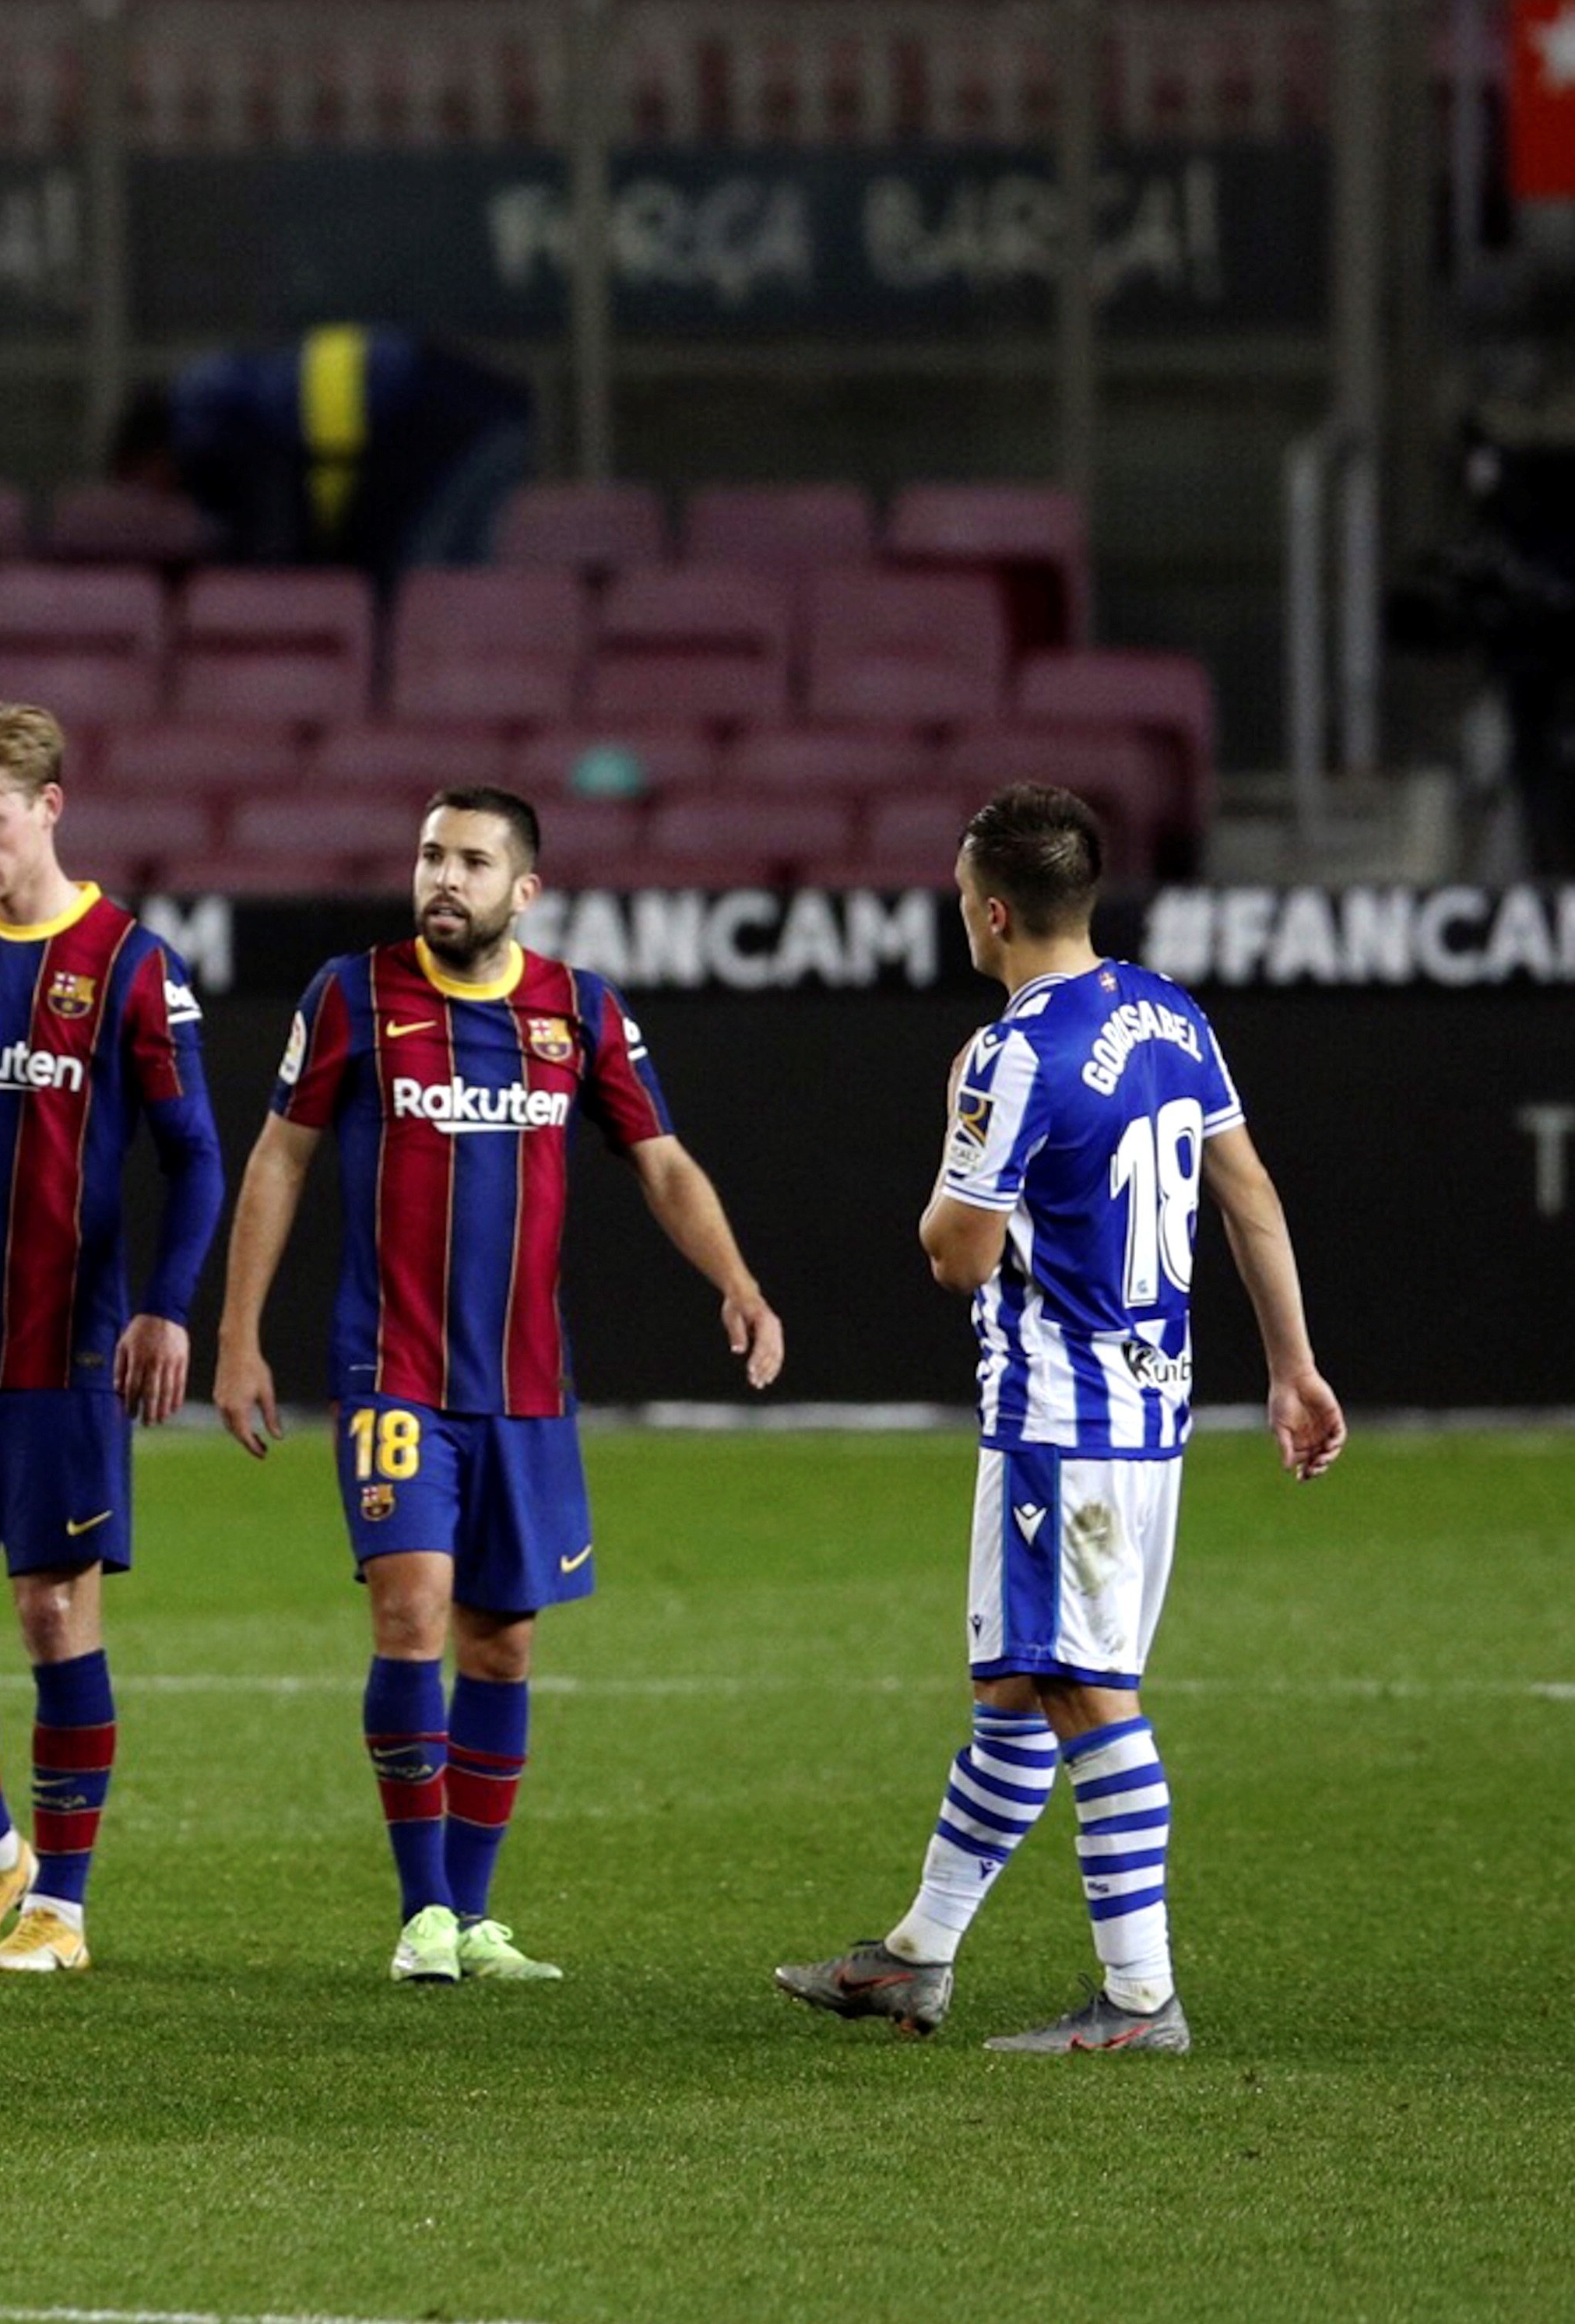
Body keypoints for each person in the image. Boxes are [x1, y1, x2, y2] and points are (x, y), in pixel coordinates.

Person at [776, 783, 1346, 2055]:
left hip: (1059, 1415)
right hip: (1150, 1406)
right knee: (1015, 1682)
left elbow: (956, 1257)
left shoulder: (1009, 1051)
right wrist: (1292, 1363)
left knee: (1084, 1691)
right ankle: (914, 1955)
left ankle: (1139, 1995)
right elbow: (1244, 1190)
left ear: (988, 908)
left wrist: (945, 1176)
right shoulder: (1166, 1011)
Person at [211, 787, 787, 1984]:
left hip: (523, 1386)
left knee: (502, 1644)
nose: (442, 877)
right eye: (429, 854)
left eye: (470, 861)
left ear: (521, 889)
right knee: (410, 1609)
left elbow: (660, 1162)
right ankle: (420, 1915)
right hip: (390, 1374)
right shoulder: (351, 994)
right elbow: (279, 1156)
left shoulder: (576, 1010)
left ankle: (472, 1918)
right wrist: (237, 1333)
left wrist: (735, 1280)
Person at [0, 701, 224, 1974]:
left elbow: (194, 1156)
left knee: (52, 1606)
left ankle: (61, 1909)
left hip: (64, 1345)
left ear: (50, 807)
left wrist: (164, 1302)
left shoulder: (130, 961)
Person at [125, 322, 537, 578]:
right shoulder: (232, 401)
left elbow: (275, 509)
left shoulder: (205, 415)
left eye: (143, 481)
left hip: (452, 413)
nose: (154, 498)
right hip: (448, 415)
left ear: (152, 455)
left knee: (431, 580)